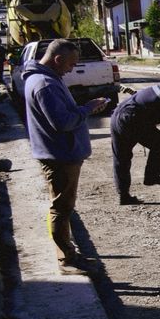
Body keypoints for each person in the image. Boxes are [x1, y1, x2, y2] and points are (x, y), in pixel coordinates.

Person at [23, 39, 111, 267]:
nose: (72, 68)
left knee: (62, 205)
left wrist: (84, 106)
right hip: (60, 156)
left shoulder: (47, 79)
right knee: (62, 207)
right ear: (58, 59)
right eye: (70, 64)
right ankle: (67, 256)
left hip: (59, 152)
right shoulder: (46, 84)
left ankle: (66, 252)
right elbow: (63, 122)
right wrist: (88, 108)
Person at [110, 72, 160, 205]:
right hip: (132, 120)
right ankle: (151, 177)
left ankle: (123, 195)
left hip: (117, 117)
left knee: (121, 158)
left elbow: (153, 102)